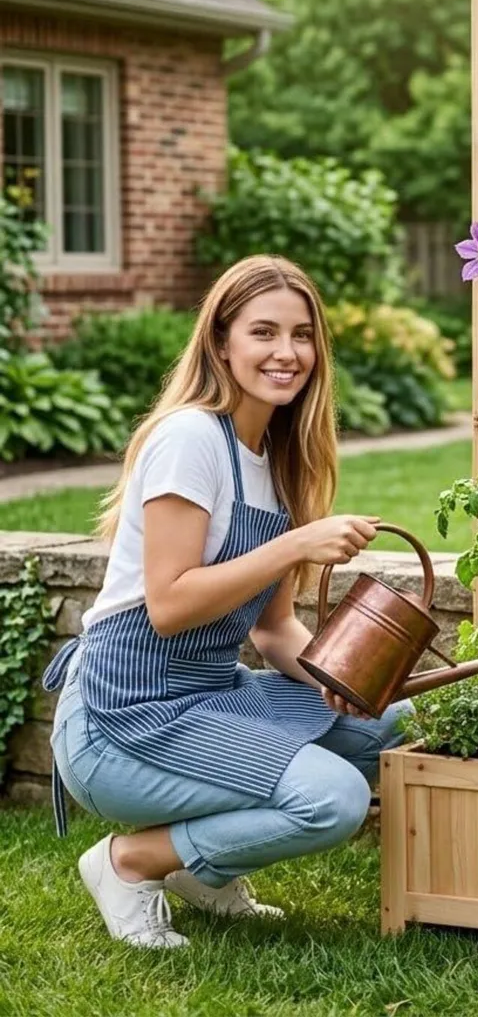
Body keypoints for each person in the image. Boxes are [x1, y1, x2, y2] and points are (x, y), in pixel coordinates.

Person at [41, 255, 409, 948]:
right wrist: (295, 544)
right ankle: (129, 863)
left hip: (206, 696)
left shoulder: (278, 456)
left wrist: (348, 684)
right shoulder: (190, 439)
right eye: (263, 332)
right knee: (333, 798)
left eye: (301, 336)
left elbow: (273, 631)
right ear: (220, 343)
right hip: (122, 718)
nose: (286, 352)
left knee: (391, 723)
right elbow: (169, 606)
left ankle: (199, 870)